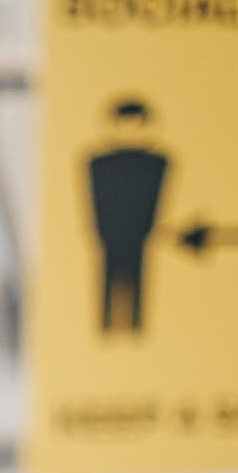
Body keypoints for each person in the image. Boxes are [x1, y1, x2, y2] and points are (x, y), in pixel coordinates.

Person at [87, 98, 170, 336]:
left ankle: (134, 328)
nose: (130, 129)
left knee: (138, 291)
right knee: (107, 291)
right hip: (110, 236)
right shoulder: (99, 163)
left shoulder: (155, 163)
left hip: (138, 236)